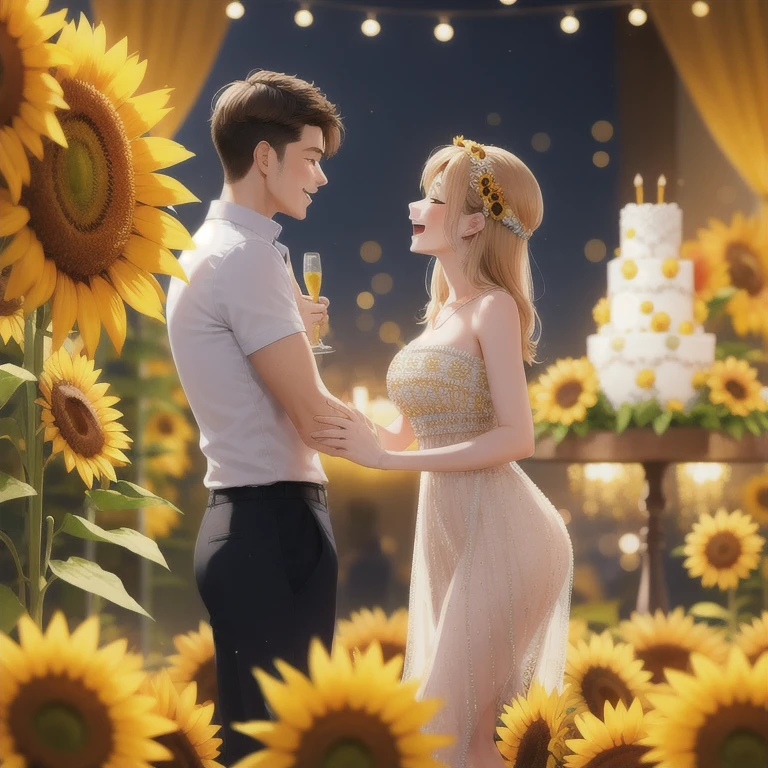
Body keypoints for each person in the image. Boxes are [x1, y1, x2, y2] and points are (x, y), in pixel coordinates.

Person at [311, 137, 574, 767]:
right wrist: (306, 346)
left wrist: (390, 464)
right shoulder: (441, 313)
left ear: (474, 222)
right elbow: (394, 433)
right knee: (464, 732)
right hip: (456, 532)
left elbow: (517, 437)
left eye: (432, 198)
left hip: (511, 534)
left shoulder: (495, 310)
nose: (414, 207)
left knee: (438, 722)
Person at [165, 70, 352, 765]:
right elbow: (313, 418)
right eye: (312, 158)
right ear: (266, 157)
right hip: (272, 531)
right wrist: (427, 444)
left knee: (265, 743)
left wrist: (293, 333)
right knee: (279, 747)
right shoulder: (243, 259)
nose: (321, 179)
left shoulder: (216, 252)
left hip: (251, 525)